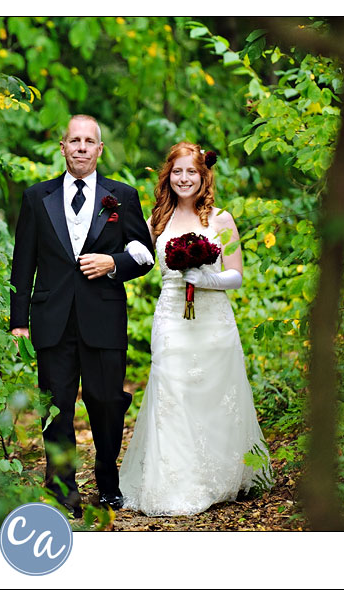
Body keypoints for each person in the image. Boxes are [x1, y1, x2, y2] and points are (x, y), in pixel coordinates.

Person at [10, 115, 155, 517]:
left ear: (100, 150)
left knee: (107, 403)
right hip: (51, 319)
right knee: (55, 407)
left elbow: (145, 253)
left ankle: (108, 484)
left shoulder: (121, 195)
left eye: (89, 141)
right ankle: (61, 490)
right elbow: (23, 263)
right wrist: (18, 320)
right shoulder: (36, 197)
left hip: (103, 319)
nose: (81, 147)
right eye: (74, 140)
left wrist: (113, 261)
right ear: (62, 147)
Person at [118, 141, 270, 516]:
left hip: (213, 318)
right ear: (168, 176)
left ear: (204, 177)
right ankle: (174, 484)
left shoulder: (222, 219)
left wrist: (203, 278)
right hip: (171, 316)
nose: (184, 178)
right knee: (172, 392)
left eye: (192, 172)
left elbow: (235, 276)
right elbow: (137, 259)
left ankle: (216, 478)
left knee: (214, 395)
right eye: (178, 172)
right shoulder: (157, 221)